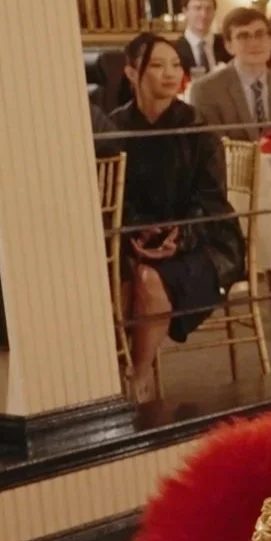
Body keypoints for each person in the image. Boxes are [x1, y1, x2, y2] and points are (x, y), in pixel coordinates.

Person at [108, 32, 245, 401]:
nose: (170, 74)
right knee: (117, 280)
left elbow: (213, 203)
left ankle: (138, 380)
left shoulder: (197, 129)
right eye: (156, 65)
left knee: (149, 280)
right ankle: (109, 379)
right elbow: (107, 200)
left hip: (204, 238)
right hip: (133, 237)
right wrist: (139, 230)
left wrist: (178, 237)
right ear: (132, 73)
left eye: (175, 65)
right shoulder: (114, 128)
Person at [190, 7, 271, 141]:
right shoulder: (206, 90)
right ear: (228, 46)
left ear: (270, 40)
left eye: (260, 34)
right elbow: (212, 150)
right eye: (243, 36)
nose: (254, 43)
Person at [171, 0, 226, 75]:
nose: (204, 14)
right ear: (185, 11)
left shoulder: (226, 45)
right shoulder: (174, 50)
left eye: (208, 9)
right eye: (197, 8)